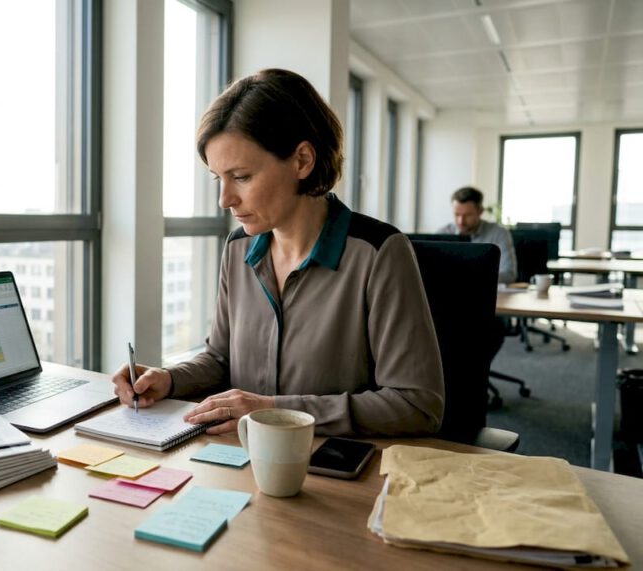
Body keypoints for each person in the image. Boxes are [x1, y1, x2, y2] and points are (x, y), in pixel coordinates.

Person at [110, 68, 444, 437]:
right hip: (240, 455)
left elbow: (416, 404)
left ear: (302, 160)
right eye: (217, 178)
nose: (225, 199)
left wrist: (274, 411)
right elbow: (220, 359)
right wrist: (168, 379)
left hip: (329, 470)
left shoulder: (379, 253)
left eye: (241, 177)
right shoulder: (238, 249)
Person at [438, 186, 517, 284]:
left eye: (467, 215)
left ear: (480, 211)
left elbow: (509, 274)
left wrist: (470, 280)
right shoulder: (442, 233)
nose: (461, 221)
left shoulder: (499, 233)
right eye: (457, 214)